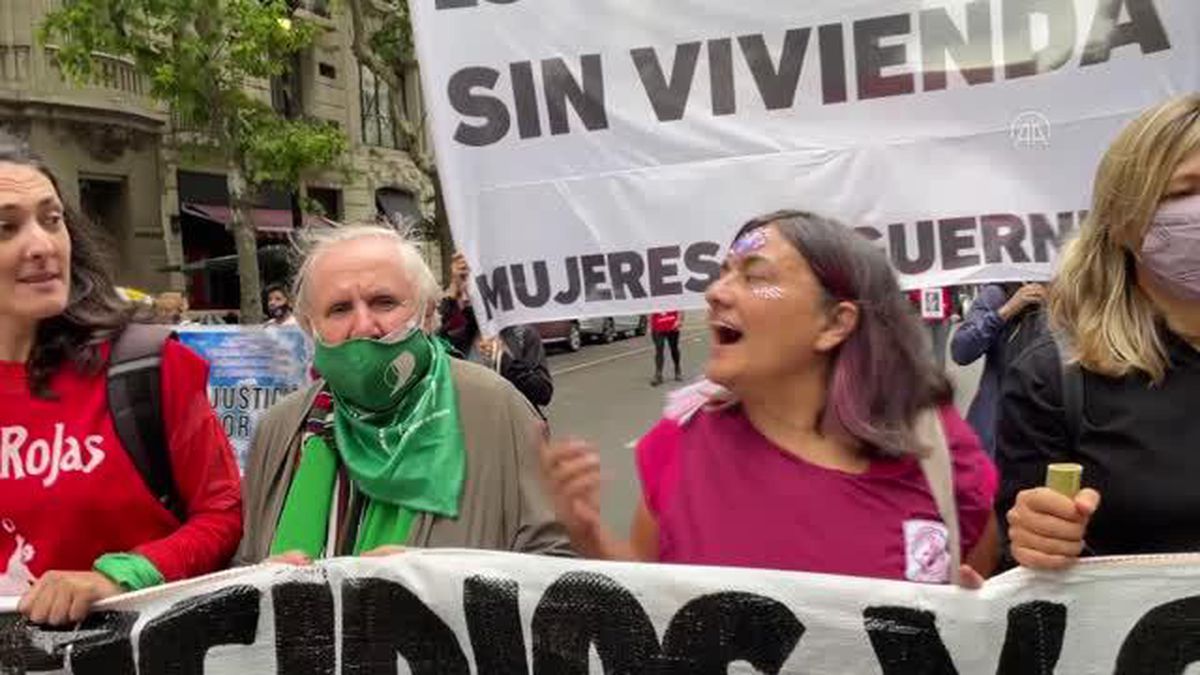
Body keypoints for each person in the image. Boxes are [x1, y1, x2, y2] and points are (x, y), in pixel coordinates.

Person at [542, 210, 997, 585]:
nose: (716, 293)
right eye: (722, 275)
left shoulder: (932, 440)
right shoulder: (679, 443)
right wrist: (591, 536)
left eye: (754, 276)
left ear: (835, 323)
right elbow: (649, 601)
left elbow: (979, 579)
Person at [0, 137, 243, 625]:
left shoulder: (148, 365)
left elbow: (223, 514)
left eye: (52, 220)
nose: (43, 246)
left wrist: (116, 579)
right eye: (6, 228)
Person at [237, 225, 571, 564]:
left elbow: (556, 565)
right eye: (339, 309)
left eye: (384, 302)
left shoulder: (498, 408)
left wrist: (442, 584)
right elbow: (247, 563)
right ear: (311, 326)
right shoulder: (280, 429)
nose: (364, 325)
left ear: (426, 314)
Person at [998, 94, 1200, 570]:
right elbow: (1025, 578)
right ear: (1124, 220)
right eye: (1183, 193)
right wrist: (1038, 539)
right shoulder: (1054, 377)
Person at [438, 252, 553, 409]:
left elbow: (543, 393)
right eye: (467, 284)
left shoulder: (523, 334)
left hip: (514, 429)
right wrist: (452, 289)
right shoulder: (460, 334)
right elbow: (428, 336)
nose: (469, 294)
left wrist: (504, 359)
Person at [950, 282, 1048, 455]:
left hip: (1047, 430)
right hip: (997, 428)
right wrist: (1006, 311)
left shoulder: (1072, 294)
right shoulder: (997, 294)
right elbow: (961, 351)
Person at [649, 310, 683, 386]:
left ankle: (677, 369)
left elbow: (681, 307)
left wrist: (679, 320)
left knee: (674, 348)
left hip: (672, 324)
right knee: (659, 348)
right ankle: (658, 374)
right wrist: (650, 323)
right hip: (657, 325)